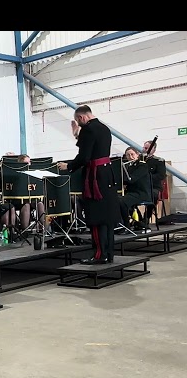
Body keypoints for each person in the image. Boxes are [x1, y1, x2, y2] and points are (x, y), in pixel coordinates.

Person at [57, 105, 119, 264]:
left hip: (94, 178)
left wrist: (69, 166)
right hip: (107, 174)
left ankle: (99, 255)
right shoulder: (104, 128)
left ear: (81, 118)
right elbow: (94, 147)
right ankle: (108, 253)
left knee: (96, 216)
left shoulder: (88, 129)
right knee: (107, 216)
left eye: (78, 121)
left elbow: (84, 156)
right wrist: (77, 135)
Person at [119, 147, 151, 230]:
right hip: (131, 193)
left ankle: (126, 226)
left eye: (132, 154)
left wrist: (123, 179)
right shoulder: (128, 167)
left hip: (141, 193)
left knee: (122, 202)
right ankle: (120, 224)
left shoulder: (142, 165)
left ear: (137, 155)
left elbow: (132, 179)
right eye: (128, 155)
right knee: (115, 199)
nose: (130, 157)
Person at [15, 154, 45, 233]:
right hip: (19, 200)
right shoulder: (17, 173)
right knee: (26, 205)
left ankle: (43, 228)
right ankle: (25, 230)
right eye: (27, 163)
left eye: (29, 162)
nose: (29, 164)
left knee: (40, 204)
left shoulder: (34, 173)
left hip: (32, 198)